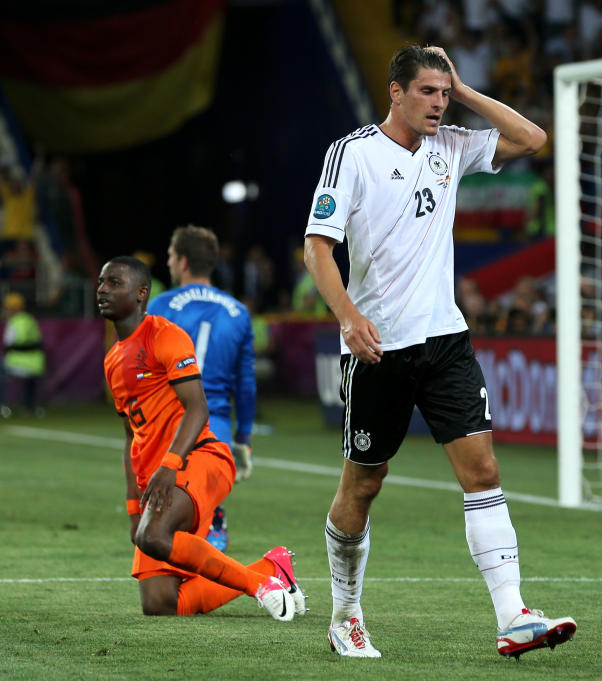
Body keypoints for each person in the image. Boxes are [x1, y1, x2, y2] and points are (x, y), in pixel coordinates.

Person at [303, 45, 576, 659]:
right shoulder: (353, 154)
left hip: (446, 339)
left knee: (482, 471)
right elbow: (318, 246)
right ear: (395, 92)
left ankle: (513, 614)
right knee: (364, 484)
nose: (439, 102)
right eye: (427, 91)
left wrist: (468, 91)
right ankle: (345, 613)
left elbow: (532, 139)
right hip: (379, 349)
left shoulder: (452, 144)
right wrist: (348, 317)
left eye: (444, 92)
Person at [98, 256, 305, 619]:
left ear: (141, 293)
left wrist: (169, 465)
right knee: (160, 603)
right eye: (101, 282)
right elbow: (131, 436)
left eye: (114, 282)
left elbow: (198, 408)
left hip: (200, 459)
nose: (102, 289)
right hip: (161, 478)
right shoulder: (112, 360)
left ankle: (259, 588)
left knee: (155, 536)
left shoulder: (164, 335)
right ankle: (271, 570)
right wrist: (134, 510)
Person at [148, 225, 256, 551]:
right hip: (216, 427)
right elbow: (246, 385)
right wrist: (244, 438)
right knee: (202, 509)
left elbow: (144, 370)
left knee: (162, 522)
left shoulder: (159, 306)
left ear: (181, 261)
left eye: (169, 255)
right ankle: (214, 526)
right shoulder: (238, 312)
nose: (168, 262)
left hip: (170, 425)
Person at [0, 292, 45, 418]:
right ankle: (29, 406)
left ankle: (2, 406)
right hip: (36, 365)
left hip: (18, 364)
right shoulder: (30, 319)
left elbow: (8, 345)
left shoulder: (14, 322)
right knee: (29, 380)